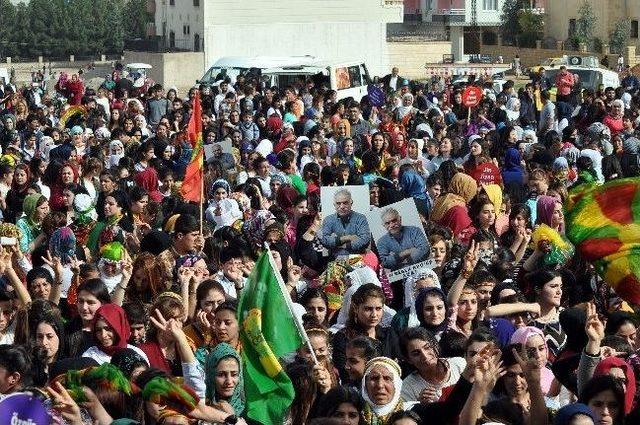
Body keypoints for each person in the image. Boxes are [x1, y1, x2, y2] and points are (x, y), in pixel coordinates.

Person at [320, 189, 371, 257]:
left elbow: (365, 239)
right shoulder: (328, 220)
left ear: (351, 203)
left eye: (345, 203)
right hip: (336, 260)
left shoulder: (361, 218)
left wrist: (341, 244)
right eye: (338, 203)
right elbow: (324, 240)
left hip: (358, 259)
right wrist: (347, 238)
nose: (342, 207)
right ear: (334, 205)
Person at [376, 207, 430, 271]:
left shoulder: (415, 231)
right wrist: (404, 253)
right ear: (383, 225)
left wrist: (401, 261)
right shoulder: (381, 242)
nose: (392, 225)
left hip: (422, 270)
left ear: (400, 219)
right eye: (387, 223)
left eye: (394, 220)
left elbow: (425, 248)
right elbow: (384, 262)